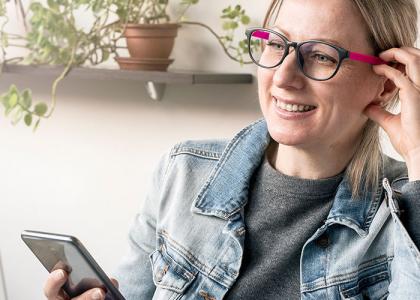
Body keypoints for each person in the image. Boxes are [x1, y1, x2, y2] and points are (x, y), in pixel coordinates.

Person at [43, 0, 420, 299]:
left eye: (321, 55)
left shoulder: (402, 214)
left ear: (386, 84)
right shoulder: (183, 172)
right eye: (276, 44)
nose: (284, 78)